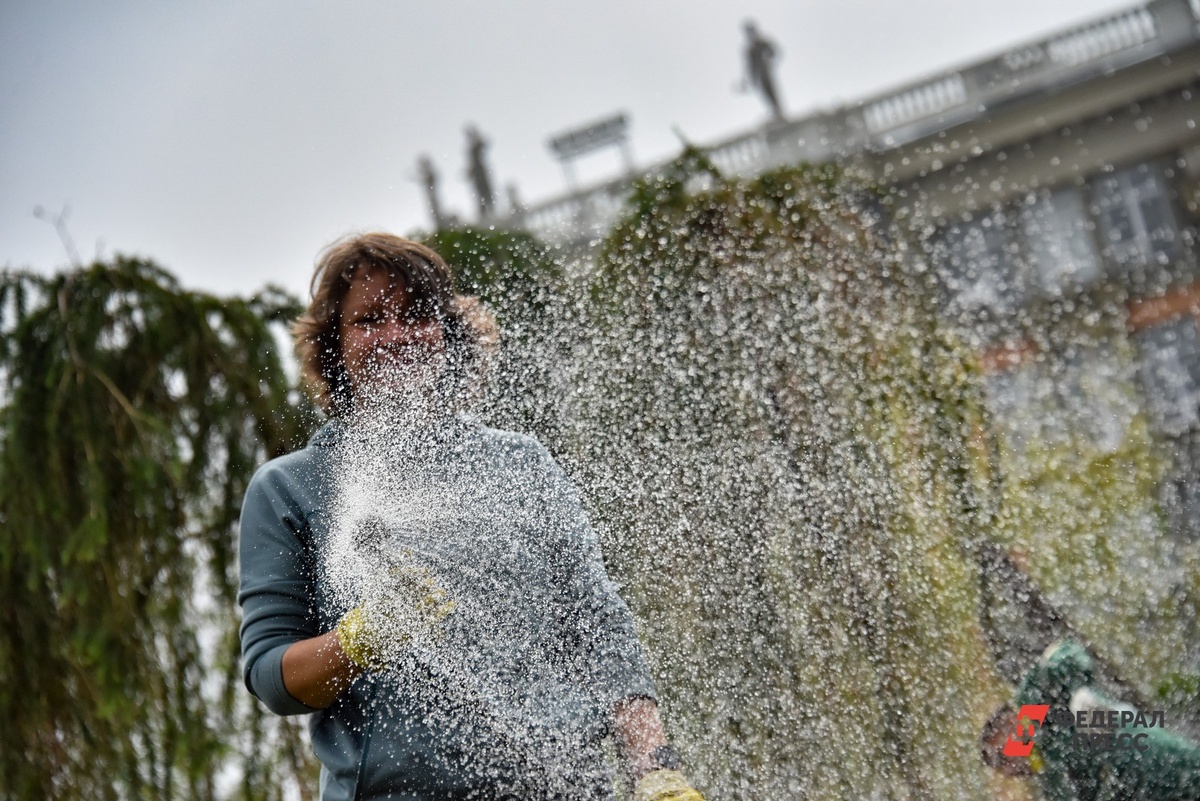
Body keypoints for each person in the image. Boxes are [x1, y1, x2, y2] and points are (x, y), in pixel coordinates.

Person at [238, 233, 705, 800]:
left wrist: (654, 768)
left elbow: (597, 628)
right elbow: (271, 678)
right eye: (369, 320)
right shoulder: (289, 489)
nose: (396, 336)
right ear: (333, 345)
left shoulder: (521, 463)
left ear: (448, 332)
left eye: (416, 315)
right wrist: (359, 640)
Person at [980, 640, 1200, 800]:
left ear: (1009, 722)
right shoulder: (1053, 783)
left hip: (1145, 751)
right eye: (1002, 769)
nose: (1009, 771)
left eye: (1001, 757)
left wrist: (1078, 693)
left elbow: (1066, 653)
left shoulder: (1033, 701)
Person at [741, 21, 783, 121]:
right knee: (765, 92)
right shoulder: (750, 49)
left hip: (765, 71)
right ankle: (775, 112)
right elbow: (750, 66)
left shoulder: (762, 43)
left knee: (771, 91)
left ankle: (778, 112)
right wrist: (750, 79)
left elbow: (774, 52)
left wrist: (769, 60)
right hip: (759, 74)